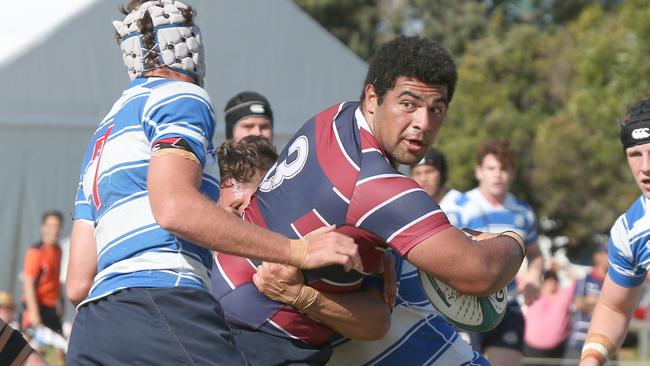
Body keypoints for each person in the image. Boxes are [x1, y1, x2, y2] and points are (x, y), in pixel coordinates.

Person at [65, 2, 361, 365]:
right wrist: (298, 251)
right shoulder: (179, 96)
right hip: (162, 303)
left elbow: (77, 282)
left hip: (95, 329)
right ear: (188, 41)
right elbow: (175, 209)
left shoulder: (102, 136)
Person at [212, 35, 527, 365]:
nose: (423, 123)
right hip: (262, 338)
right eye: (408, 104)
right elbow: (480, 273)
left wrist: (383, 244)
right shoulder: (376, 185)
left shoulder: (333, 118)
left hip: (225, 310)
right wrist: (513, 240)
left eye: (436, 109)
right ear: (373, 98)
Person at [446, 139, 544, 366]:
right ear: (479, 171)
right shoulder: (458, 206)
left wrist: (533, 279)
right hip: (465, 305)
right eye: (491, 168)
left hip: (507, 307)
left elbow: (536, 255)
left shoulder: (523, 211)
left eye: (504, 168)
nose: (498, 175)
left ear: (513, 173)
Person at [579, 98, 650, 366]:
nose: (645, 167)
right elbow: (615, 307)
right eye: (635, 155)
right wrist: (591, 359)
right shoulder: (630, 231)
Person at [565, 239, 609, 360]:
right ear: (597, 256)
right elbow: (578, 303)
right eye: (607, 253)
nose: (610, 258)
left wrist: (592, 301)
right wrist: (605, 304)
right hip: (579, 341)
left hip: (604, 343)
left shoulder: (613, 284)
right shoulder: (585, 278)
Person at [22, 210, 64, 335]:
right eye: (51, 226)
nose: (54, 230)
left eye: (57, 226)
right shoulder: (36, 251)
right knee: (32, 350)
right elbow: (28, 283)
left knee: (60, 350)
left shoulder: (58, 250)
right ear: (43, 228)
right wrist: (34, 314)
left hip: (51, 310)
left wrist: (61, 301)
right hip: (37, 307)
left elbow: (55, 278)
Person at [523, 270, 575, 365]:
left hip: (555, 351)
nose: (551, 282)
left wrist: (562, 267)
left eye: (554, 279)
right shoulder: (534, 293)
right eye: (548, 279)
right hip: (530, 350)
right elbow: (524, 278)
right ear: (543, 282)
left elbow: (577, 281)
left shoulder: (563, 295)